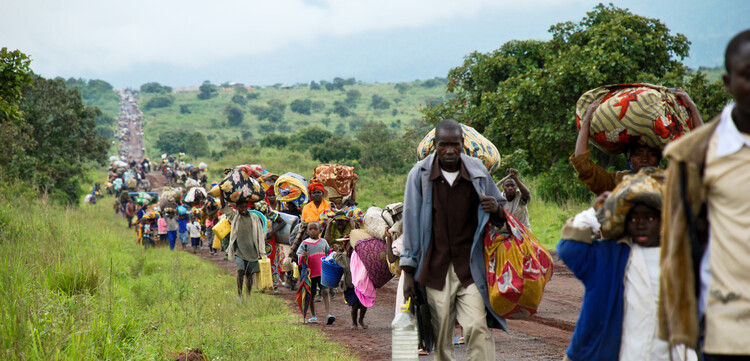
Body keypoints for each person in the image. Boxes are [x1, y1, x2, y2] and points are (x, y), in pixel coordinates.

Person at [659, 29, 750, 360]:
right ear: (727, 82)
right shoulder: (694, 155)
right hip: (724, 329)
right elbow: (680, 240)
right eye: (748, 76)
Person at [557, 168, 696, 361]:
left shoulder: (681, 258)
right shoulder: (611, 256)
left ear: (663, 220)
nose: (641, 224)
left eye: (649, 217)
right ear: (624, 222)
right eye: (633, 218)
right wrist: (595, 214)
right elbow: (568, 248)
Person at [401, 119, 508, 361]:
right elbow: (410, 221)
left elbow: (501, 209)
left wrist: (497, 210)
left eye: (455, 145)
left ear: (463, 144)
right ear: (435, 145)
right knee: (442, 339)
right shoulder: (419, 175)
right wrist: (408, 271)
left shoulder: (478, 172)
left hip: (470, 267)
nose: (450, 151)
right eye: (443, 145)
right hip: (435, 268)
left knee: (477, 328)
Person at [570, 89, 703, 195]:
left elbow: (703, 157)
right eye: (638, 154)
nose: (644, 158)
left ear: (658, 160)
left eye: (651, 155)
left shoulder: (670, 182)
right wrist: (587, 120)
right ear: (630, 159)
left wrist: (692, 108)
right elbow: (584, 167)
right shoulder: (616, 182)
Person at [220, 196, 266, 300]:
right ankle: (240, 295)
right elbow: (223, 206)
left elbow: (261, 229)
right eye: (241, 207)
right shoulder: (234, 216)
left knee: (249, 275)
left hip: (252, 251)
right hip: (239, 251)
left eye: (246, 207)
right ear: (237, 207)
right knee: (240, 271)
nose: (244, 209)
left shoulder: (254, 217)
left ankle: (248, 294)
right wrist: (221, 192)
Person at [296, 222, 335, 325]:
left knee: (325, 292)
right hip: (310, 274)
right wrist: (303, 256)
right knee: (311, 295)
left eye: (315, 229)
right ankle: (313, 316)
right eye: (311, 229)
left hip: (322, 273)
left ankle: (328, 314)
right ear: (307, 231)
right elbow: (299, 255)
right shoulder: (304, 243)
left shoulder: (323, 242)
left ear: (319, 231)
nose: (313, 231)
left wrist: (333, 250)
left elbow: (328, 253)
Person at [334, 242, 368, 330]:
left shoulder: (362, 255)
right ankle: (354, 322)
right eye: (349, 244)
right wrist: (338, 251)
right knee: (355, 305)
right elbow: (337, 259)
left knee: (364, 304)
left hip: (362, 285)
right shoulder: (345, 256)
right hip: (350, 286)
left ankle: (361, 319)